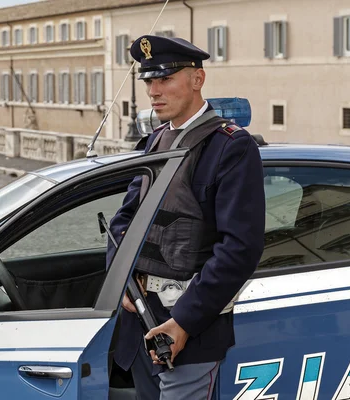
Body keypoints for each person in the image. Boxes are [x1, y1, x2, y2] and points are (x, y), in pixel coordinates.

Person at [106, 35, 266, 400]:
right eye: (149, 81)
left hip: (188, 331)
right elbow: (123, 221)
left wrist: (184, 323)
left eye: (165, 79)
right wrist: (123, 284)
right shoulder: (155, 141)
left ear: (197, 79)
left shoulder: (231, 148)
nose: (153, 91)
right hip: (141, 322)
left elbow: (239, 249)